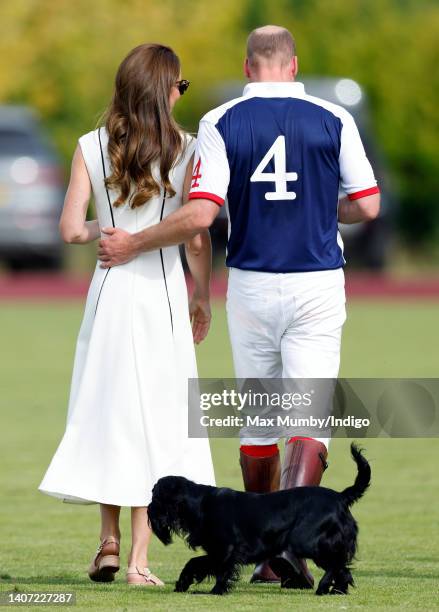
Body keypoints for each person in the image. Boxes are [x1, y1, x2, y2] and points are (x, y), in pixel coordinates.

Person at [97, 26, 380, 588]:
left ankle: (268, 556)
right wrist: (324, 211)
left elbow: (201, 216)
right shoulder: (335, 117)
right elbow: (368, 205)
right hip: (318, 282)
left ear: (249, 68)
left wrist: (131, 241)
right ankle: (292, 548)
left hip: (251, 283)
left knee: (258, 420)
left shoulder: (220, 121)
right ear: (293, 65)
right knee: (309, 418)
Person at [38, 43, 216, 587]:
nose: (180, 93)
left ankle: (107, 542)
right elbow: (195, 232)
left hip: (110, 294)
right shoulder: (187, 149)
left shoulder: (89, 145)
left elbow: (70, 230)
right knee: (157, 420)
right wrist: (202, 293)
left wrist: (103, 232)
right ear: (164, 90)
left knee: (109, 412)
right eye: (179, 85)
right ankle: (140, 560)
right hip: (160, 294)